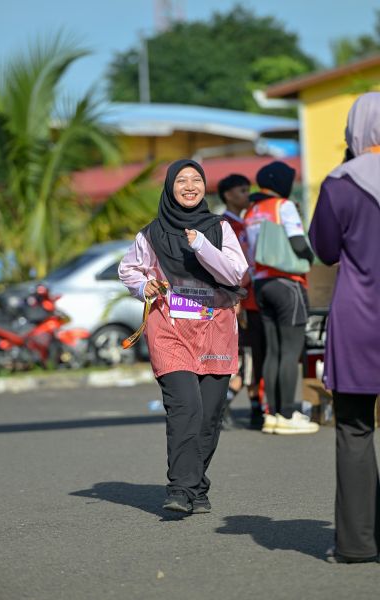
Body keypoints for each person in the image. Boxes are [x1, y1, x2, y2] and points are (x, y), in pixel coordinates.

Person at [118, 159, 248, 514]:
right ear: (170, 188)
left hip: (215, 328)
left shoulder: (219, 228)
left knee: (208, 416)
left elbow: (234, 274)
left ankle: (196, 486)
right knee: (185, 407)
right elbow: (128, 269)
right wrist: (144, 285)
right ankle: (180, 488)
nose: (190, 186)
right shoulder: (151, 233)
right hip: (170, 329)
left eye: (196, 180)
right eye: (181, 180)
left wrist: (202, 246)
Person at [309, 92, 380, 563]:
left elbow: (325, 249)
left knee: (355, 430)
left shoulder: (340, 183)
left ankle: (357, 545)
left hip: (359, 320)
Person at [244, 161, 318, 434]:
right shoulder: (283, 206)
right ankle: (288, 413)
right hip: (287, 283)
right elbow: (298, 242)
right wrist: (311, 256)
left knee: (273, 351)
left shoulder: (251, 211)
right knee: (290, 350)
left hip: (261, 284)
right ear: (281, 183)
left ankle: (273, 414)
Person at [217, 174, 266, 429]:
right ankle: (222, 403)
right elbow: (233, 269)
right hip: (241, 301)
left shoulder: (245, 222)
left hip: (252, 298)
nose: (247, 195)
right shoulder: (224, 227)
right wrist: (236, 292)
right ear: (228, 195)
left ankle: (257, 408)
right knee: (247, 357)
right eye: (242, 190)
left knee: (255, 355)